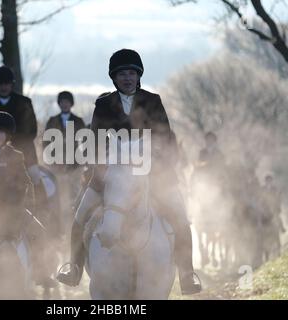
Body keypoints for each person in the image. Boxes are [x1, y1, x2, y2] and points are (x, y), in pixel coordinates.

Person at [57, 49, 202, 295]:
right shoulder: (103, 104)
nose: (127, 77)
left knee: (179, 216)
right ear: (114, 77)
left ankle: (187, 274)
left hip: (152, 176)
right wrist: (104, 173)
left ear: (138, 75)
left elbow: (165, 140)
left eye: (132, 73)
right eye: (122, 73)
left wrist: (155, 170)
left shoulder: (153, 101)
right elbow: (94, 144)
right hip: (110, 177)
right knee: (80, 217)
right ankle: (74, 267)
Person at [0, 111, 57, 289]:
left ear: (8, 136)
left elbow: (26, 184)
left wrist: (27, 207)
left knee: (40, 232)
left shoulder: (16, 155)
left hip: (12, 208)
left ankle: (41, 274)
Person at [43, 91, 86, 236]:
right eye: (62, 101)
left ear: (71, 103)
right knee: (58, 199)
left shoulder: (79, 121)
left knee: (74, 198)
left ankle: (74, 228)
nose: (65, 104)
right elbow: (46, 143)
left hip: (75, 167)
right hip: (57, 167)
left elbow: (84, 143)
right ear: (59, 103)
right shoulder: (52, 121)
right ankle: (58, 230)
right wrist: (54, 162)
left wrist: (77, 163)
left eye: (67, 101)